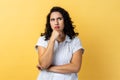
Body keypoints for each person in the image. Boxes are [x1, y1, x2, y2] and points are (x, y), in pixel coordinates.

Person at [35, 6, 84, 80]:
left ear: (65, 21)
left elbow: (75, 67)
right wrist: (52, 40)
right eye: (52, 20)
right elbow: (44, 64)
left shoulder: (75, 41)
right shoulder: (42, 40)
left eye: (59, 19)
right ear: (49, 23)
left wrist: (49, 69)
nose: (56, 23)